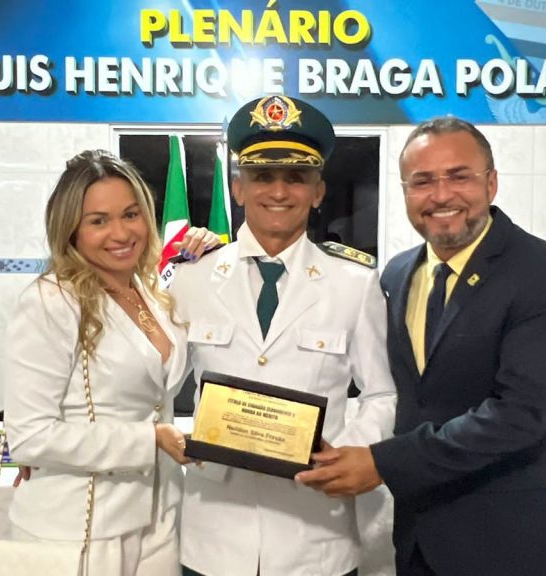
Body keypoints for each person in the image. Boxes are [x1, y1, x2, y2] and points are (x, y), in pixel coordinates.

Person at [296, 117, 546, 575]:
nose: (441, 195)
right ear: (405, 192)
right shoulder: (396, 274)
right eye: (422, 181)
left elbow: (518, 415)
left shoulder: (543, 271)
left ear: (491, 183)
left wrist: (383, 463)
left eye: (459, 176)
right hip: (420, 538)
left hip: (510, 541)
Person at [169, 95, 397, 576]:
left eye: (296, 177)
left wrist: (350, 452)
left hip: (315, 536)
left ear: (318, 192)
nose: (279, 191)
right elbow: (155, 386)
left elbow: (383, 393)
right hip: (214, 535)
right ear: (238, 188)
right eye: (262, 176)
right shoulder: (192, 278)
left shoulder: (354, 283)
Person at [3, 150, 216, 576]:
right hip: (77, 529)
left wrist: (211, 256)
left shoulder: (153, 293)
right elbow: (28, 437)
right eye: (98, 220)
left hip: (159, 517)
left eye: (131, 214)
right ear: (71, 230)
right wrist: (149, 438)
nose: (120, 233)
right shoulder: (51, 300)